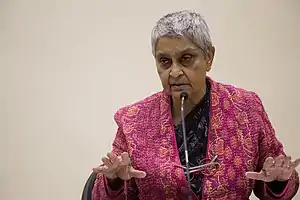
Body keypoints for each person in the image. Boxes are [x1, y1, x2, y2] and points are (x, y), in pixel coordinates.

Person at [91, 10, 300, 200]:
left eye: (186, 59)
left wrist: (278, 181)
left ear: (209, 57)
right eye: (164, 61)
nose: (174, 72)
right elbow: (103, 195)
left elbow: (277, 187)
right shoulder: (133, 120)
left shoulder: (246, 109)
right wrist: (114, 180)